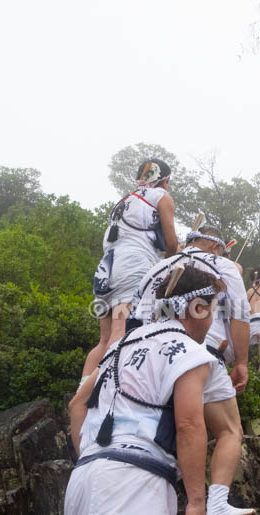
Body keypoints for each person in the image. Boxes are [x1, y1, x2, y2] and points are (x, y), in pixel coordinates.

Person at [66, 266, 217, 515]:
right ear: (198, 308)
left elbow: (77, 404)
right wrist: (196, 502)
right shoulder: (189, 351)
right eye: (213, 312)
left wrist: (92, 455)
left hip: (83, 479)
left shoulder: (121, 345)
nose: (212, 322)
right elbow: (188, 425)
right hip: (134, 482)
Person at [128, 226, 253, 515]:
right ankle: (214, 502)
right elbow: (239, 315)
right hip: (201, 352)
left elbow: (134, 315)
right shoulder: (223, 266)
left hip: (146, 354)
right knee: (229, 430)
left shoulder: (156, 267)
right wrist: (242, 362)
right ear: (216, 247)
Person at [82, 159, 179, 381]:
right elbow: (172, 243)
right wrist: (170, 258)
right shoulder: (161, 196)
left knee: (104, 340)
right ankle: (100, 391)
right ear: (164, 180)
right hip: (133, 265)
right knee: (121, 331)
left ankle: (81, 391)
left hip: (106, 268)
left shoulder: (124, 200)